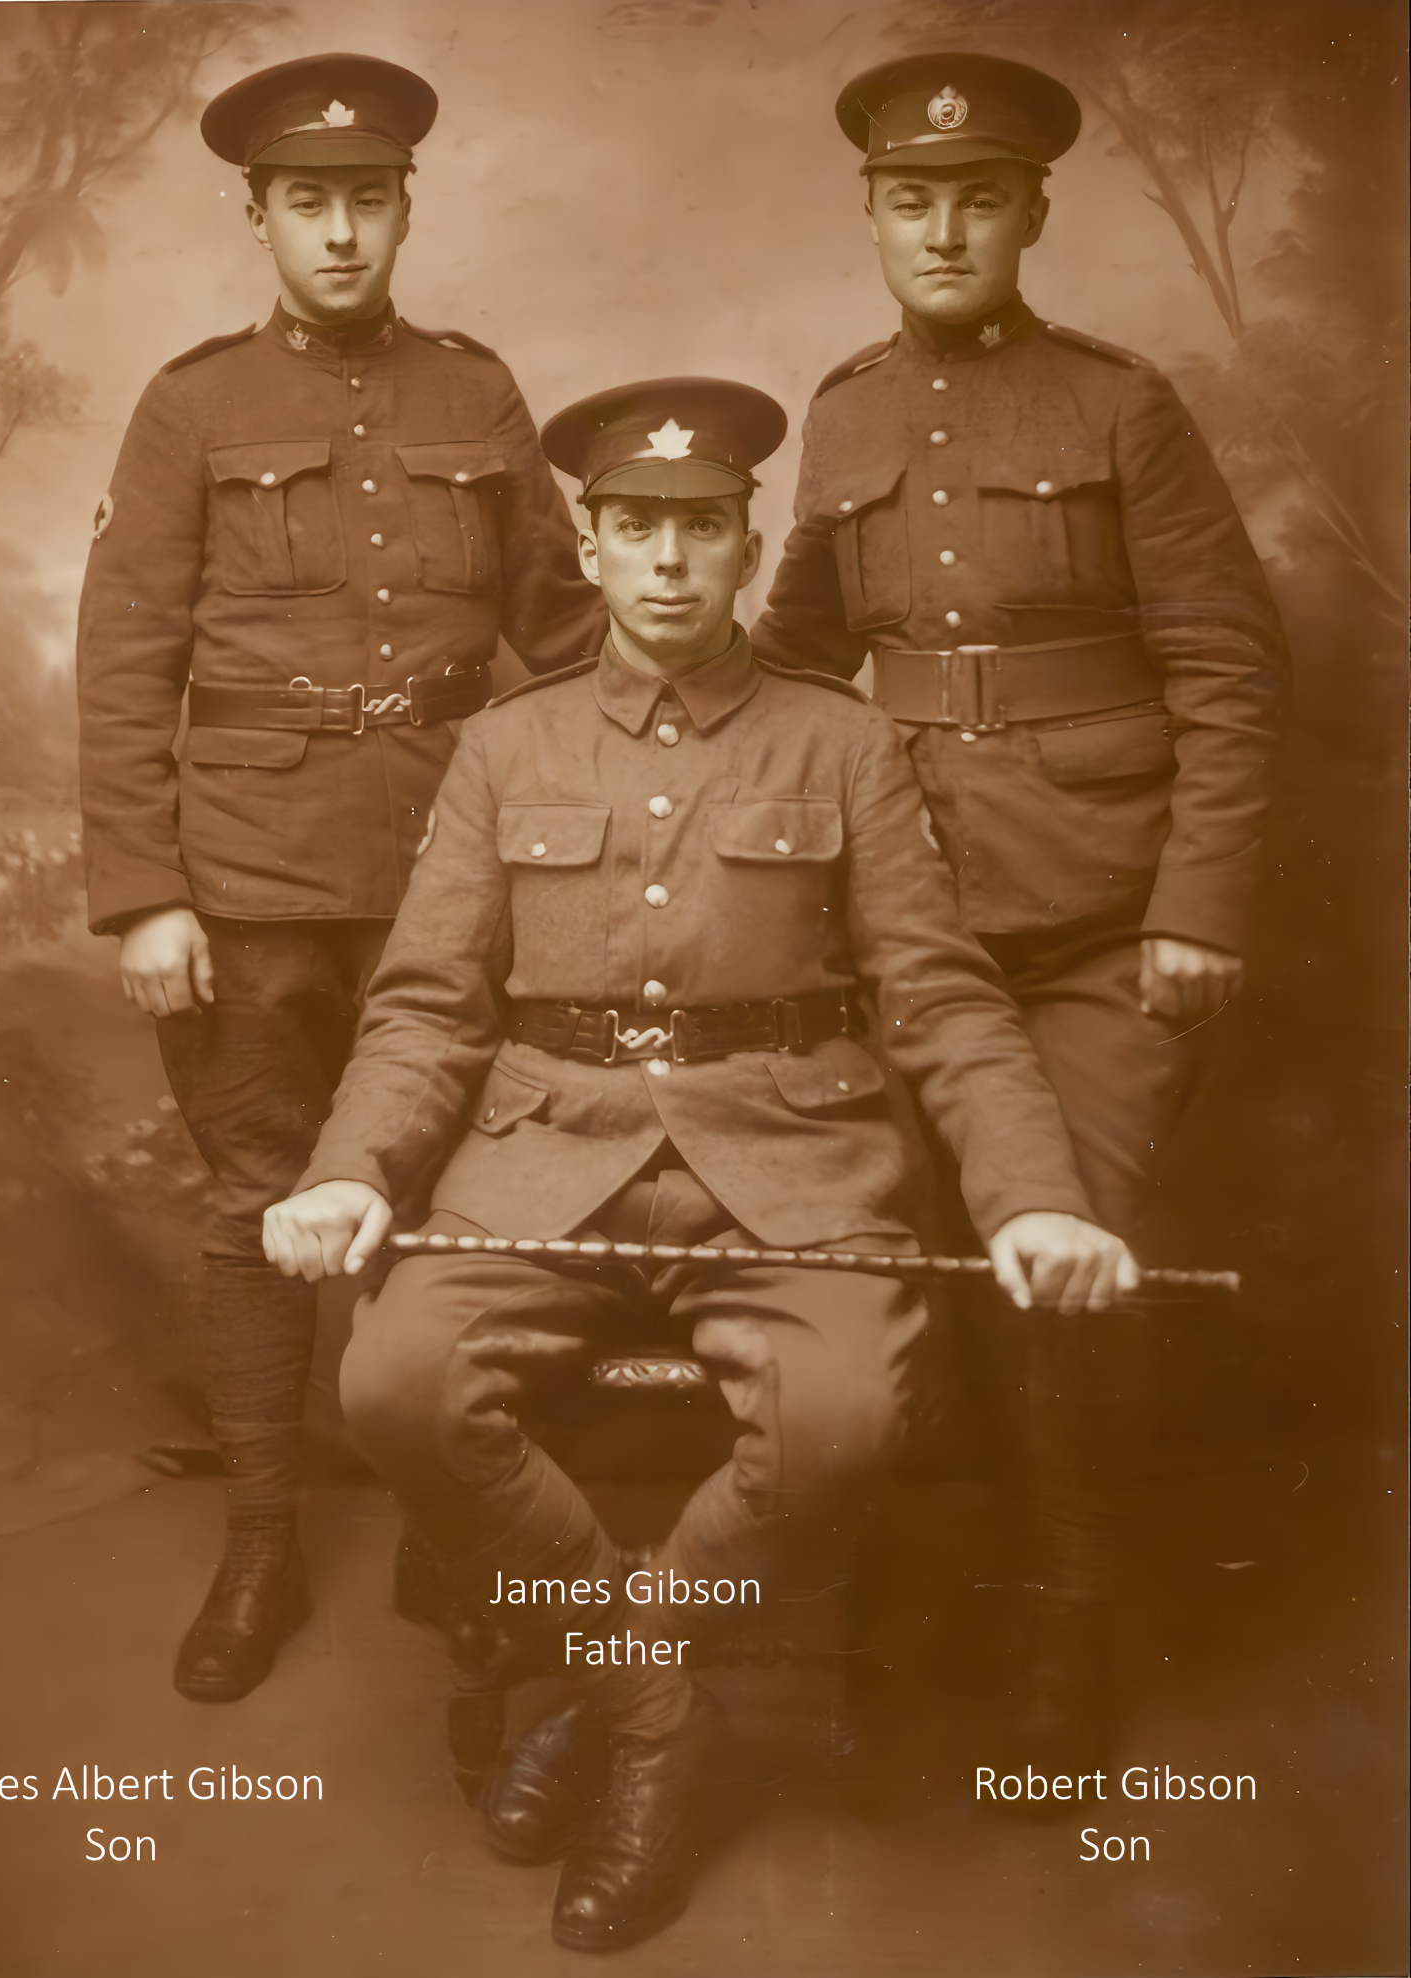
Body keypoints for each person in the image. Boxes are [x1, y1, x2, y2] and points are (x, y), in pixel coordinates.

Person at [263, 377, 1139, 1951]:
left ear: (748, 543)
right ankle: (660, 1711)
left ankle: (613, 1684)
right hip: (542, 1158)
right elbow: (426, 1008)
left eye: (703, 528)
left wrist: (1035, 1199)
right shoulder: (505, 747)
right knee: (393, 1379)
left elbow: (946, 999)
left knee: (847, 1415)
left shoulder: (846, 741)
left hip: (791, 1159)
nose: (669, 560)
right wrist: (352, 1173)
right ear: (590, 546)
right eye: (636, 526)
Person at [750, 52, 1289, 1766]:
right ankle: (916, 1601)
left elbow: (1229, 669)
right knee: (890, 1260)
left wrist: (1200, 910)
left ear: (1032, 214)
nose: (943, 231)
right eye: (912, 201)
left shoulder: (1121, 406)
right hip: (907, 932)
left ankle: (1068, 1628)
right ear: (872, 216)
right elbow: (792, 662)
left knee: (1058, 1255)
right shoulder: (842, 414)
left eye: (976, 200)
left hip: (1107, 928)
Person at [75, 52, 605, 1704]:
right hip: (242, 878)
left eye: (366, 198)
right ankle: (260, 1541)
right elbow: (124, 657)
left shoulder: (478, 395)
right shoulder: (192, 407)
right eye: (308, 201)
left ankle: (456, 1539)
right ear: (259, 217)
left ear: (403, 209)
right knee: (258, 1203)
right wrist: (144, 891)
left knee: (453, 1218)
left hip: (456, 872)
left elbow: (567, 635)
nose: (339, 230)